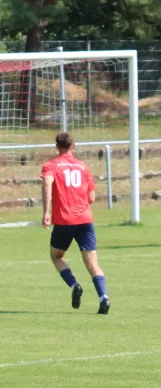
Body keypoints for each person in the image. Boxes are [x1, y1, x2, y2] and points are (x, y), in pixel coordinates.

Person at [41, 132, 110, 314]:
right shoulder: (84, 167)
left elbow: (47, 184)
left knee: (56, 256)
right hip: (85, 220)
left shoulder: (50, 166)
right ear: (74, 146)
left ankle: (74, 285)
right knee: (92, 264)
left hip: (64, 220)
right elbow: (91, 198)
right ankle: (104, 297)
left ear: (57, 147)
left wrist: (46, 212)